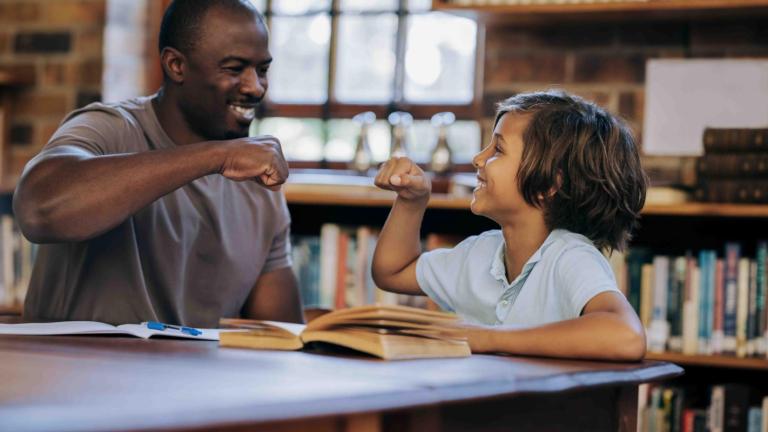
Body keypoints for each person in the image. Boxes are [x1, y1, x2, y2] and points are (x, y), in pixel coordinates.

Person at [14, 0, 304, 327]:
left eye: (262, 69)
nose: (255, 87)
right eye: (234, 68)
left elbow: (281, 335)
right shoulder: (109, 128)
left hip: (195, 377)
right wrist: (217, 156)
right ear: (176, 65)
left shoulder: (259, 185)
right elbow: (39, 211)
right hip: (81, 374)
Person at [371, 90, 648, 361]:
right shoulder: (478, 253)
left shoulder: (570, 257)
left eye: (498, 149)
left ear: (549, 184)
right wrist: (412, 201)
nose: (478, 158)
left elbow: (626, 336)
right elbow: (392, 272)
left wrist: (487, 338)